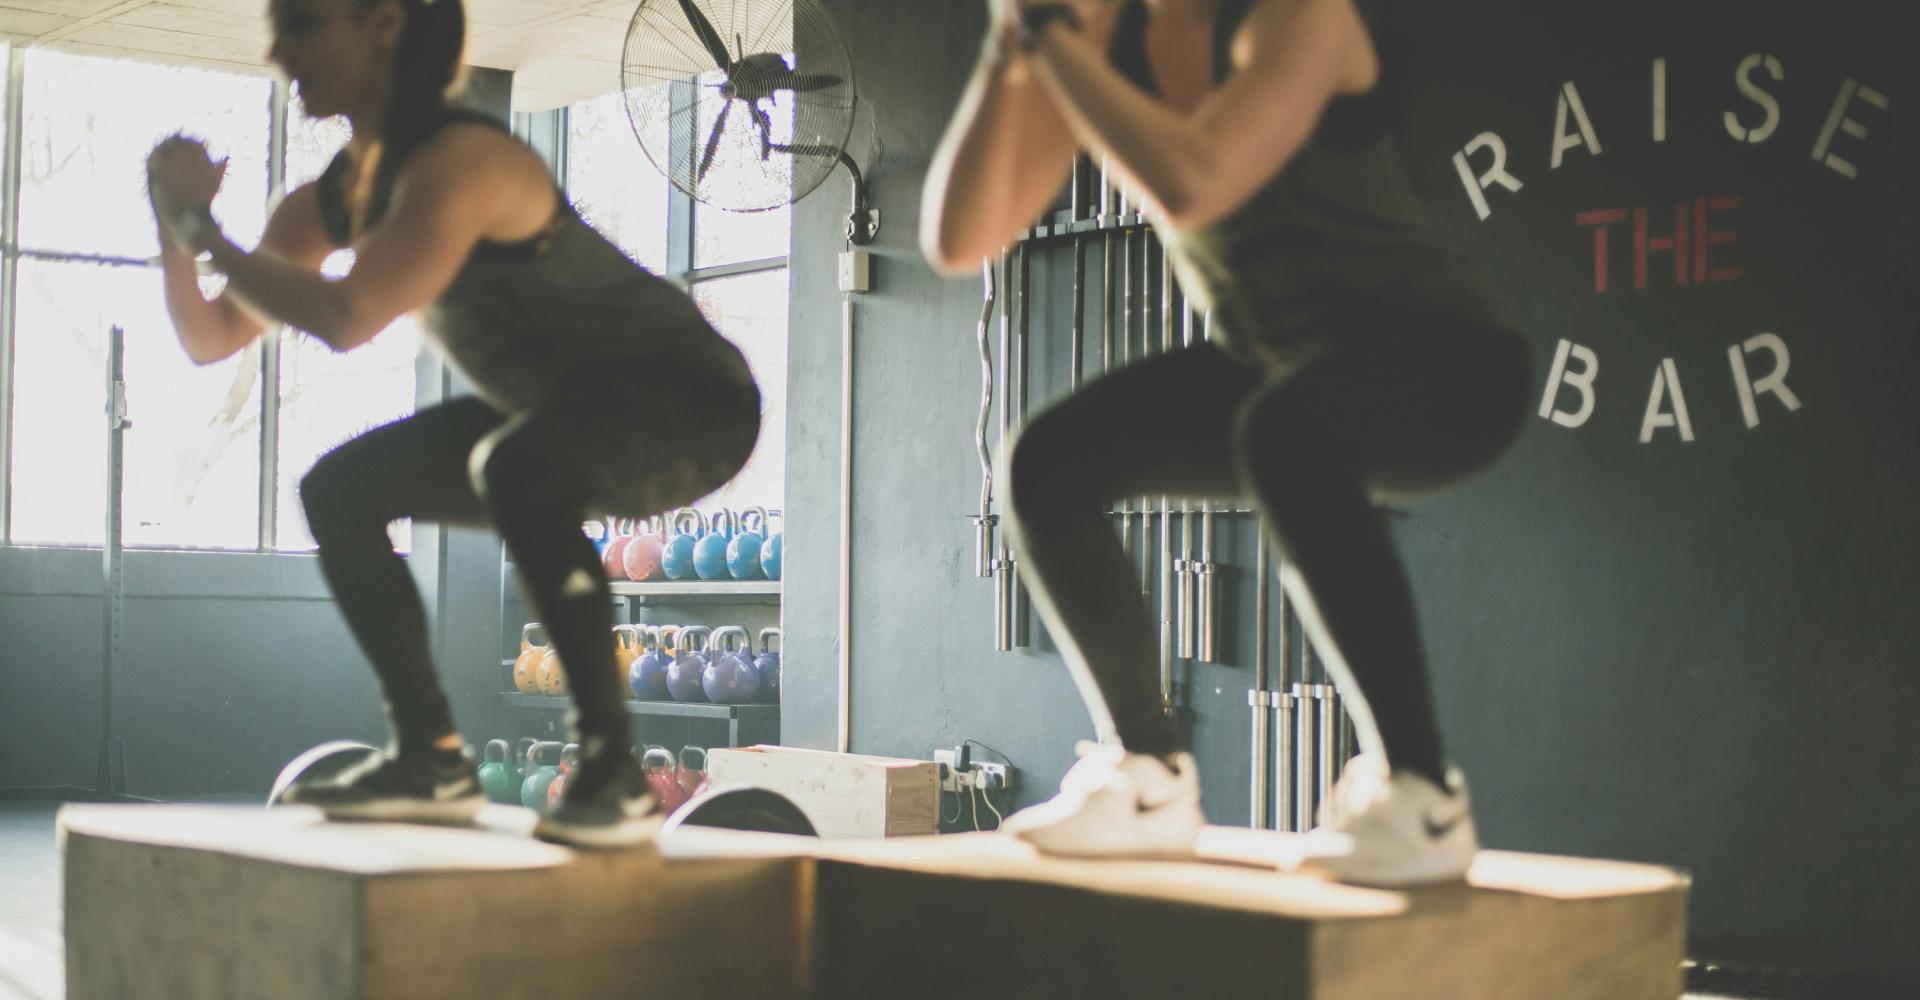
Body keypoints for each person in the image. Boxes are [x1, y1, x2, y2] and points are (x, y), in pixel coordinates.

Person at [921, 0, 1529, 885]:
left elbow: (1195, 178)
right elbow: (959, 237)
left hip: (1449, 357)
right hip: (1276, 367)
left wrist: (1050, 38)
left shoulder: (1296, 18)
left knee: (1285, 433)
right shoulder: (1102, 47)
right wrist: (1007, 46)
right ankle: (1148, 775)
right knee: (1046, 462)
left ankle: (1422, 794)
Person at [145, 0, 760, 848]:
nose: (280, 52)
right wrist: (177, 234)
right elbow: (211, 337)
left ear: (384, 23)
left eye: (306, 23)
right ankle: (431, 757)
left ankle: (614, 773)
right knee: (341, 488)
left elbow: (347, 314)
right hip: (554, 411)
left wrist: (202, 226)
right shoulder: (327, 202)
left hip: (689, 400)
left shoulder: (466, 161)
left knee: (516, 468)